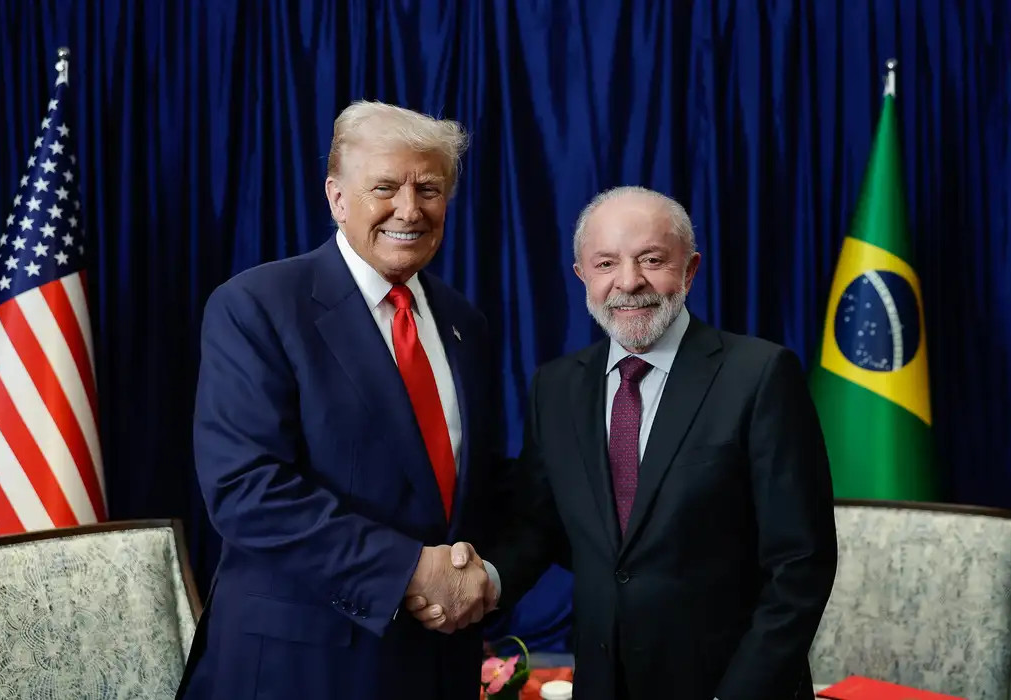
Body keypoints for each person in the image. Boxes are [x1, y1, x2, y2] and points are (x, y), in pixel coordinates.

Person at [410, 185, 838, 699]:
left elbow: (800, 565)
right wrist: (486, 583)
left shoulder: (761, 375)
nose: (629, 281)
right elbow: (538, 526)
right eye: (606, 263)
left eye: (652, 260)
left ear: (690, 269)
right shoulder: (556, 387)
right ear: (582, 275)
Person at [177, 100, 501, 700]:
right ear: (337, 198)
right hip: (301, 666)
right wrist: (408, 570)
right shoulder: (257, 306)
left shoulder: (465, 323)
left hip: (436, 664)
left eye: (429, 189)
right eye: (385, 187)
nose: (409, 209)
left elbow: (473, 491)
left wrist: (474, 578)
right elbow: (247, 489)